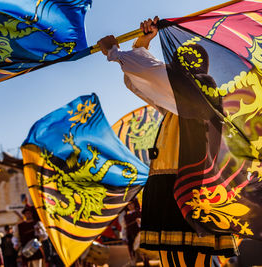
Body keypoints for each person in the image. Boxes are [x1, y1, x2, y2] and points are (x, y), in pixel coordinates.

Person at [98, 17, 237, 265]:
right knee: (176, 259)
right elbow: (143, 82)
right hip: (178, 184)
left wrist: (114, 52)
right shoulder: (182, 102)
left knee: (186, 259)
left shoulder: (198, 90)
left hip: (183, 183)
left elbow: (151, 74)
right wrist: (142, 43)